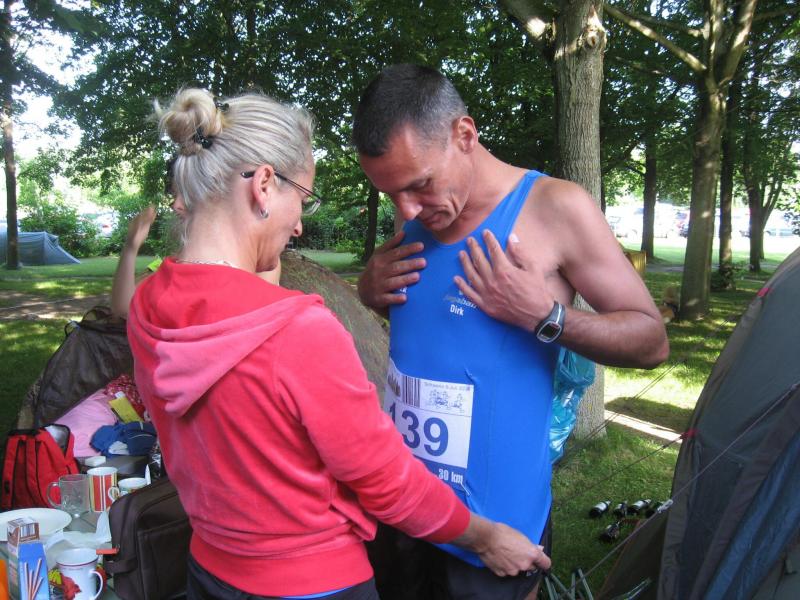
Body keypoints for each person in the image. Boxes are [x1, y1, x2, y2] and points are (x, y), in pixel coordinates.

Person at [126, 88, 550, 600]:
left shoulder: (148, 304)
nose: (299, 225)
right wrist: (486, 539)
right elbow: (387, 482)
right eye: (302, 199)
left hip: (211, 570)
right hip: (313, 583)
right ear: (264, 185)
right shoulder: (297, 331)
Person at [353, 64, 669, 599]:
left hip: (494, 534)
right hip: (404, 509)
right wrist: (368, 288)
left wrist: (545, 316)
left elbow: (651, 340)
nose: (406, 209)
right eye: (390, 194)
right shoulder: (417, 215)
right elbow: (433, 331)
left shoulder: (554, 208)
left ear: (464, 135)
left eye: (419, 185)